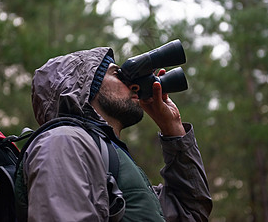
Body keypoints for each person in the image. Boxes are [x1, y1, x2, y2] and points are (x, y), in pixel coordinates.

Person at [22, 46, 213, 221]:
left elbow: (190, 213)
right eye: (117, 74)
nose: (132, 85)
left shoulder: (111, 158)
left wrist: (173, 130)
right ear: (85, 85)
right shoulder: (63, 142)